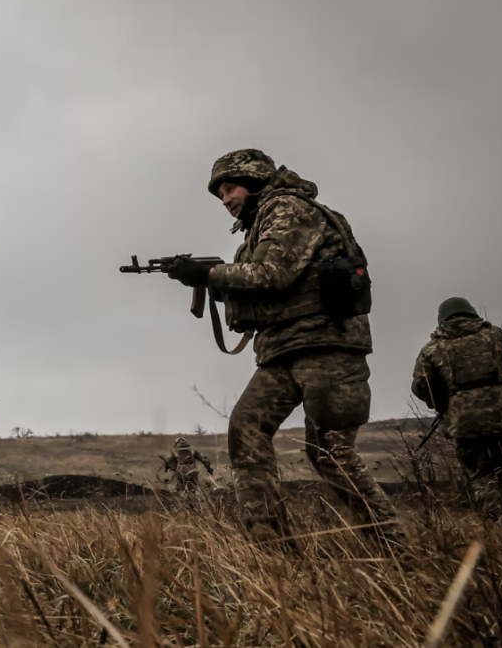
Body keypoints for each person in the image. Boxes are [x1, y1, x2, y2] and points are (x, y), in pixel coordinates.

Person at [163, 148, 403, 550]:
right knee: (246, 428)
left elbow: (273, 274)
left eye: (231, 188)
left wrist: (207, 272)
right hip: (282, 349)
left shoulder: (288, 209)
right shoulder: (259, 224)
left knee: (329, 450)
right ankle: (272, 550)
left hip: (326, 344)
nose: (226, 200)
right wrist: (207, 280)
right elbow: (263, 290)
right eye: (220, 193)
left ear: (255, 181)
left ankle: (395, 547)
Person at [411, 297, 502, 523]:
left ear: (442, 320)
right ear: (471, 313)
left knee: (481, 476)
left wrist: (442, 401)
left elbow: (422, 387)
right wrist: (498, 380)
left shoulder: (432, 349)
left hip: (464, 423)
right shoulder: (495, 335)